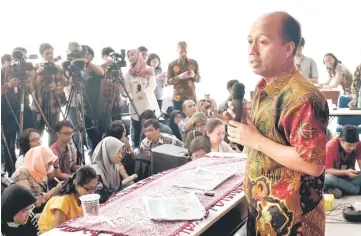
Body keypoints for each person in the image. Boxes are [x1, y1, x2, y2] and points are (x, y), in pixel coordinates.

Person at [215, 12, 328, 235]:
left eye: (263, 42)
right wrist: (242, 128)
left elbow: (312, 164)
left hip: (292, 218)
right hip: (262, 208)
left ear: (288, 49)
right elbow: (260, 144)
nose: (252, 50)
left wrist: (255, 140)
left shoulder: (304, 97)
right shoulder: (263, 89)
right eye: (250, 41)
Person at [1, 47, 36, 175]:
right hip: (7, 110)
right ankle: (11, 169)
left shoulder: (26, 72)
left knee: (28, 136)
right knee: (9, 140)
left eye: (24, 58)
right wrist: (8, 86)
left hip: (25, 107)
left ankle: (29, 164)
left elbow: (32, 91)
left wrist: (31, 78)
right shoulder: (3, 71)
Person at [64, 43, 104, 154]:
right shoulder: (67, 65)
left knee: (90, 127)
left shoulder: (87, 66)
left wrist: (85, 62)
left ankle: (93, 152)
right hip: (72, 102)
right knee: (75, 130)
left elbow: (101, 72)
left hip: (87, 102)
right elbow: (63, 82)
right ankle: (77, 155)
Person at [38, 166, 98, 233]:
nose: (92, 193)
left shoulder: (82, 197)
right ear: (77, 185)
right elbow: (59, 231)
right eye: (89, 189)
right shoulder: (62, 201)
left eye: (94, 189)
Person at [124, 49, 160, 150]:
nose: (130, 57)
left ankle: (153, 149)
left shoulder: (149, 69)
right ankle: (137, 151)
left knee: (150, 127)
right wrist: (132, 95)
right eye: (129, 56)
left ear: (138, 55)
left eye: (132, 55)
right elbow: (127, 90)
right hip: (135, 105)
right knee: (136, 131)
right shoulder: (128, 73)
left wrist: (143, 92)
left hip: (147, 104)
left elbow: (153, 85)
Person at [32, 43, 66, 145]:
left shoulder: (58, 68)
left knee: (54, 133)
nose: (50, 55)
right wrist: (39, 74)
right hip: (39, 105)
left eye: (51, 53)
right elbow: (32, 87)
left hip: (54, 105)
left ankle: (53, 156)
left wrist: (56, 87)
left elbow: (62, 85)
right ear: (42, 55)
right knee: (38, 132)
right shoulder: (37, 68)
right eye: (47, 53)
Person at [11, 146, 61, 213]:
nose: (50, 167)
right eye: (48, 164)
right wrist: (53, 191)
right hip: (28, 215)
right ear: (39, 161)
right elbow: (28, 203)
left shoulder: (39, 171)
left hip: (42, 210)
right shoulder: (21, 174)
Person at [324, 125, 361, 198]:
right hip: (334, 177)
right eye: (349, 145)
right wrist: (345, 172)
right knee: (328, 178)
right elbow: (326, 171)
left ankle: (336, 190)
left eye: (354, 146)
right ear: (341, 140)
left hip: (348, 177)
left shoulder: (358, 144)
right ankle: (355, 190)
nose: (352, 148)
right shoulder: (330, 147)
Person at [92, 137, 130, 204]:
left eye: (121, 153)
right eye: (117, 152)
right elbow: (102, 201)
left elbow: (120, 190)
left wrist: (124, 174)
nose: (121, 156)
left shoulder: (114, 167)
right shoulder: (96, 174)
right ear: (108, 152)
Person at [167, 41, 201, 111]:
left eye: (185, 51)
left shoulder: (194, 62)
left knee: (192, 119)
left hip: (191, 96)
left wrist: (193, 75)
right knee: (179, 119)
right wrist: (179, 77)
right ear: (177, 50)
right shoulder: (172, 64)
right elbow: (168, 81)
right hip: (177, 97)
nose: (183, 53)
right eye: (181, 51)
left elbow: (198, 79)